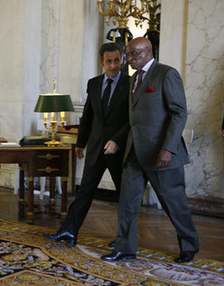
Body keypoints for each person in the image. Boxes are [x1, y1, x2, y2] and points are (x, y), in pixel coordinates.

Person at [101, 37, 199, 264]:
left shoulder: (166, 74)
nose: (130, 59)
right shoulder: (134, 78)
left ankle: (189, 246)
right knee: (127, 202)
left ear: (148, 51)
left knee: (173, 203)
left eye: (134, 54)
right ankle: (125, 248)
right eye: (129, 54)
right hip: (134, 152)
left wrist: (168, 149)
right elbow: (132, 118)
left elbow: (178, 114)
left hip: (161, 154)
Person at [44, 42, 130, 246]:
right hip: (96, 147)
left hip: (119, 148)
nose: (113, 65)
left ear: (122, 60)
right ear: (101, 62)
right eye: (108, 61)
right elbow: (88, 115)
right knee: (85, 191)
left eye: (117, 60)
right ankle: (69, 231)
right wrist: (80, 143)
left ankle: (124, 239)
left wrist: (116, 140)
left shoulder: (131, 83)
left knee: (125, 195)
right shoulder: (93, 83)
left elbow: (132, 119)